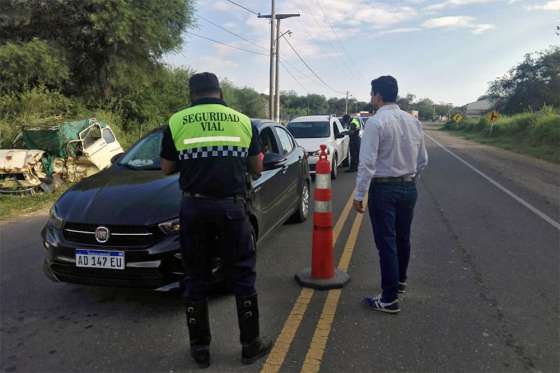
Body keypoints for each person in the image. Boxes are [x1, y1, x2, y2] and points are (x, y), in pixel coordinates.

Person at [160, 72, 271, 368]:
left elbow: (166, 167)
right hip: (232, 209)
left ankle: (200, 351)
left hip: (194, 208)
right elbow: (257, 166)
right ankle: (250, 345)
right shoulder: (243, 121)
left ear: (191, 94)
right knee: (243, 275)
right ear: (220, 93)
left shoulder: (177, 121)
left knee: (195, 277)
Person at [353, 76, 428, 314]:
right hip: (408, 187)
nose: (371, 98)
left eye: (372, 94)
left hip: (383, 189)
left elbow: (367, 163)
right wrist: (410, 178)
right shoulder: (412, 121)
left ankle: (388, 298)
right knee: (402, 238)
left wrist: (359, 194)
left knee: (386, 243)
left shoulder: (376, 123)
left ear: (377, 95)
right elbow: (423, 159)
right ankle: (400, 282)